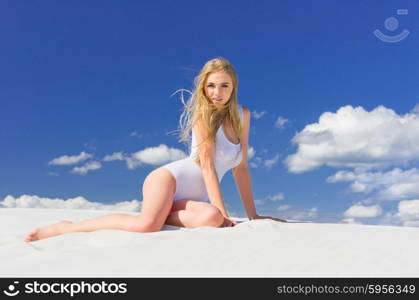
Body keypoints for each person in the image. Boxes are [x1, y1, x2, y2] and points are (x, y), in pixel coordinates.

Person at [24, 57, 286, 242]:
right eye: (211, 85)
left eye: (224, 85)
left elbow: (241, 168)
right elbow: (207, 166)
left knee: (210, 219)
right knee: (147, 226)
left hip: (191, 199)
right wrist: (225, 214)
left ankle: (166, 213)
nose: (217, 92)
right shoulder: (201, 115)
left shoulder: (243, 115)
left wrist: (253, 215)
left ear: (234, 87)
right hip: (168, 180)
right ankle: (66, 228)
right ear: (203, 88)